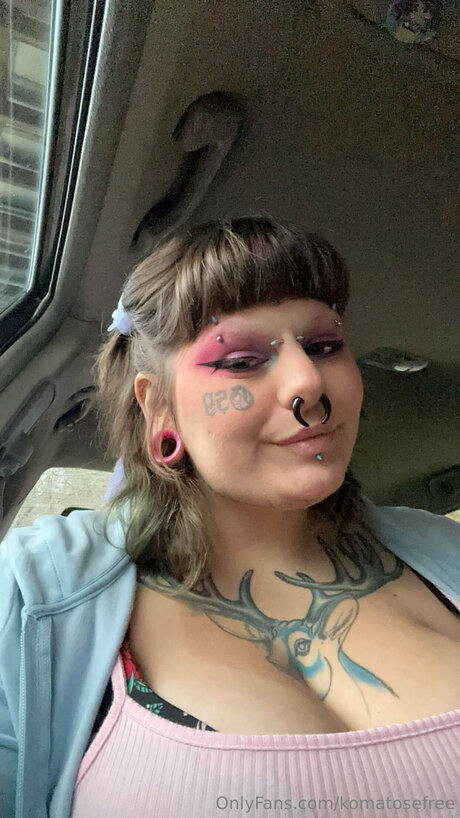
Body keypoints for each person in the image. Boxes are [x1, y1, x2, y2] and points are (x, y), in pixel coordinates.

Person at [0, 216, 459, 818]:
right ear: (159, 408)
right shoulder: (31, 596)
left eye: (324, 346)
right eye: (241, 360)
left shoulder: (445, 551)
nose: (308, 381)